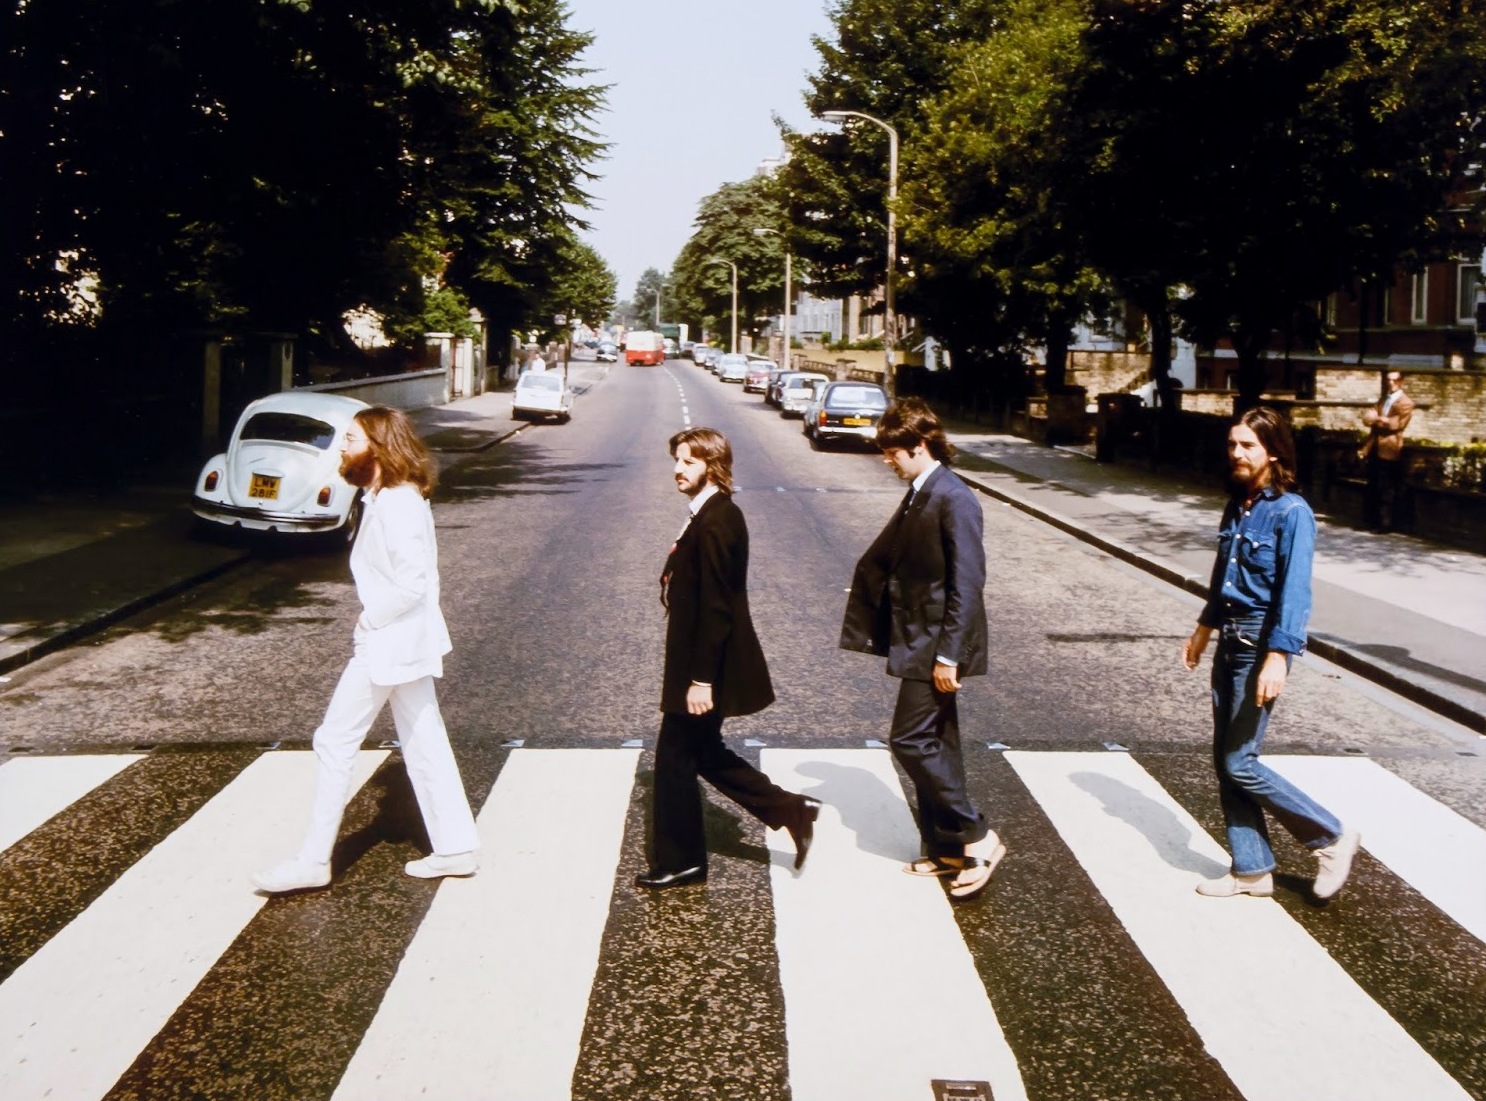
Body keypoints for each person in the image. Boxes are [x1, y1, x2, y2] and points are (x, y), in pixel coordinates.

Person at [253, 406, 480, 893]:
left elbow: (413, 583)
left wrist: (369, 619)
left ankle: (314, 860)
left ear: (377, 448)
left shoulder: (398, 504)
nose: (343, 447)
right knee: (424, 738)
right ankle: (457, 846)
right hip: (404, 642)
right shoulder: (380, 497)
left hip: (389, 643)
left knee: (335, 740)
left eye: (351, 439)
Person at [1183, 406, 1360, 900]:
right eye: (1232, 444)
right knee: (1226, 760)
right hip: (1229, 639)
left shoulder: (1292, 512)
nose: (1236, 453)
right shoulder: (1238, 504)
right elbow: (1223, 577)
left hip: (1259, 645)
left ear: (1274, 452)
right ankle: (1252, 869)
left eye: (1248, 446)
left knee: (1241, 761)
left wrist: (1278, 656)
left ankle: (1331, 837)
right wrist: (1203, 629)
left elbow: (1295, 591)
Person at [638, 427, 821, 890]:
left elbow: (717, 606)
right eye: (677, 460)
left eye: (689, 462)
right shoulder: (707, 513)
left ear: (713, 466)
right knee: (702, 752)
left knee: (674, 760)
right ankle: (791, 809)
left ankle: (682, 861)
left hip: (705, 666)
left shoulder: (719, 520)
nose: (678, 470)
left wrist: (701, 680)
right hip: (697, 660)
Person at [839, 398, 1005, 901]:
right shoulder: (921, 491)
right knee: (939, 741)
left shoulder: (954, 498)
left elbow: (967, 584)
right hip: (919, 638)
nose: (887, 460)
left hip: (937, 644)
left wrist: (949, 655)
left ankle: (977, 834)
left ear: (919, 445)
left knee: (909, 740)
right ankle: (948, 847)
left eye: (893, 452)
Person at [1360, 371, 1414, 531]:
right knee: (1373, 483)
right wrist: (1378, 419)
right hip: (1375, 446)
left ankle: (1386, 524)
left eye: (1394, 380)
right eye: (1388, 380)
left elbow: (1396, 424)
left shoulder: (1406, 402)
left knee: (1387, 486)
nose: (1391, 383)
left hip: (1390, 447)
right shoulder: (1383, 399)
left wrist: (1377, 419)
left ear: (1401, 382)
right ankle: (1372, 520)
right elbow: (1367, 418)